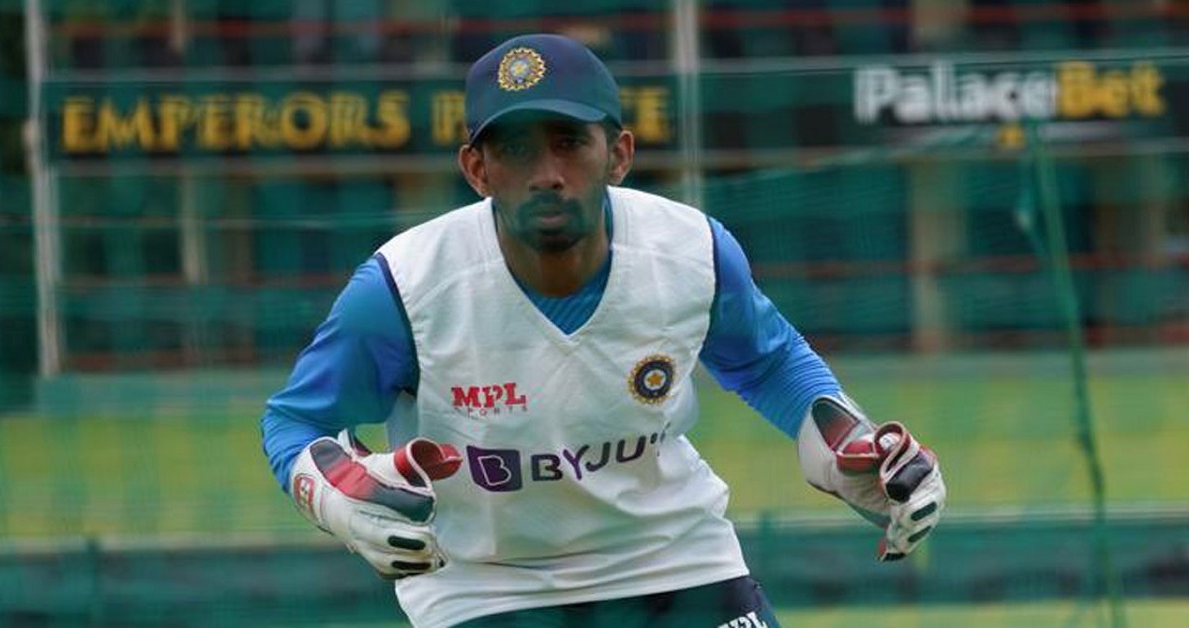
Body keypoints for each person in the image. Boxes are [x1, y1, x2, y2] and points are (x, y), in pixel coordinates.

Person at [260, 33, 946, 628]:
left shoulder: (691, 252)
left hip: (675, 559)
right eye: (516, 149)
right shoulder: (404, 288)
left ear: (618, 154)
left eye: (568, 144)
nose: (546, 175)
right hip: (483, 583)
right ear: (476, 169)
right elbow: (295, 421)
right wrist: (338, 497)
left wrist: (849, 442)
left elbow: (771, 364)